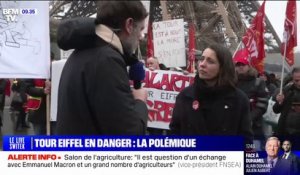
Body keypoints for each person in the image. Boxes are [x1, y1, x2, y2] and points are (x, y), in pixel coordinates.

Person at [56, 1, 148, 135]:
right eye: (140, 29)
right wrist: (140, 102)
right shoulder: (107, 61)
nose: (141, 37)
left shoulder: (83, 52)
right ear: (129, 25)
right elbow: (128, 136)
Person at [169, 44, 253, 143]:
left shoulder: (239, 100)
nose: (202, 64)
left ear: (223, 67)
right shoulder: (185, 96)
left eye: (210, 61)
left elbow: (246, 141)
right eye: (202, 59)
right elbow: (175, 133)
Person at [234, 50, 269, 149]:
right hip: (234, 128)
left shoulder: (258, 83)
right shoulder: (231, 82)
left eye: (243, 64)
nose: (240, 67)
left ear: (249, 66)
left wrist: (249, 118)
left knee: (253, 159)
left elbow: (262, 105)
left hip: (254, 128)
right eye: (238, 64)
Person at [273, 67, 300, 137]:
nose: (299, 83)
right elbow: (275, 110)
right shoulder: (286, 90)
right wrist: (279, 102)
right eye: (296, 80)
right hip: (285, 132)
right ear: (292, 79)